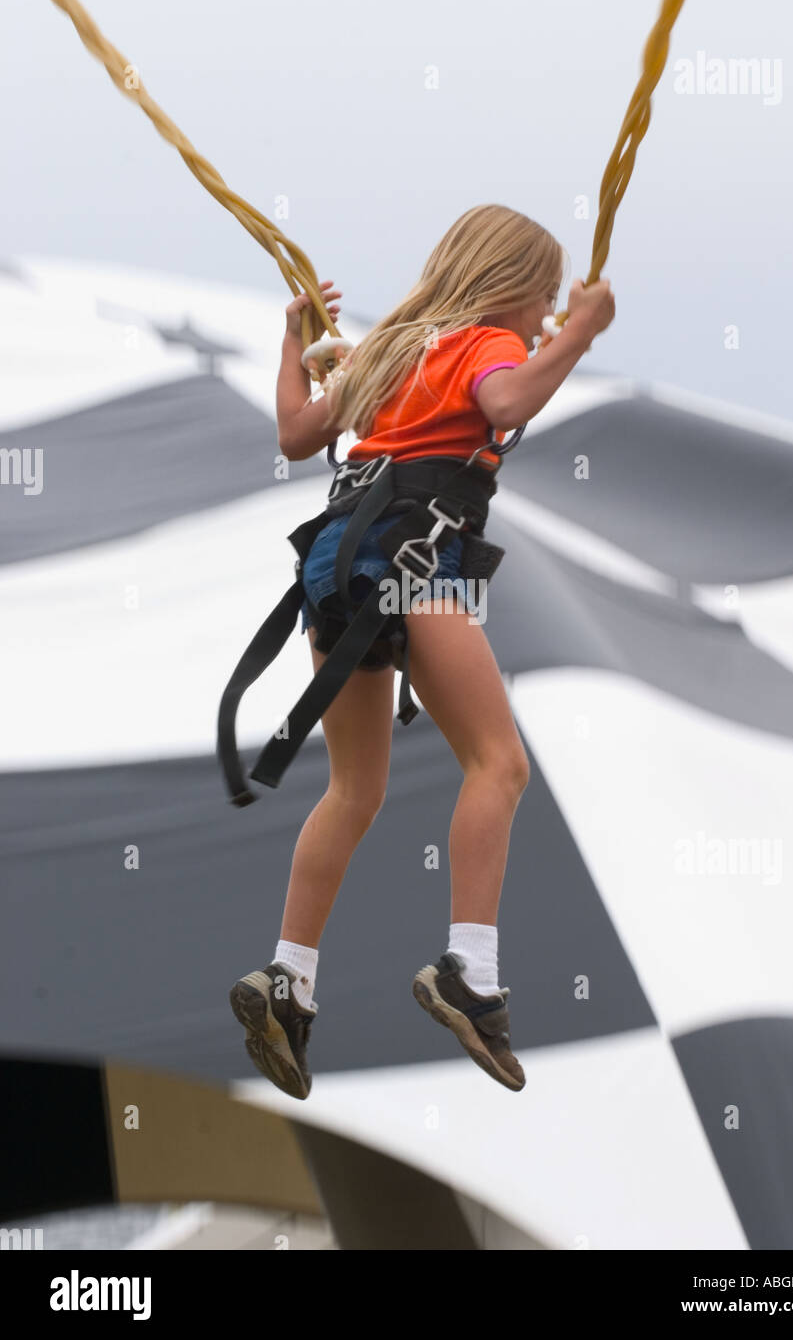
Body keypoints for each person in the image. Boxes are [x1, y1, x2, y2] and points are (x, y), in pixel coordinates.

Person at [229, 203, 615, 1097]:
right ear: (512, 287)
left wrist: (293, 347)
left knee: (353, 789)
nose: (545, 317)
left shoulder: (391, 350)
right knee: (499, 763)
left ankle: (288, 980)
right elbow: (510, 400)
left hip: (331, 574)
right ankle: (468, 972)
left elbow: (296, 436)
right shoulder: (485, 343)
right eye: (545, 299)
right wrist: (584, 337)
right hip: (410, 562)